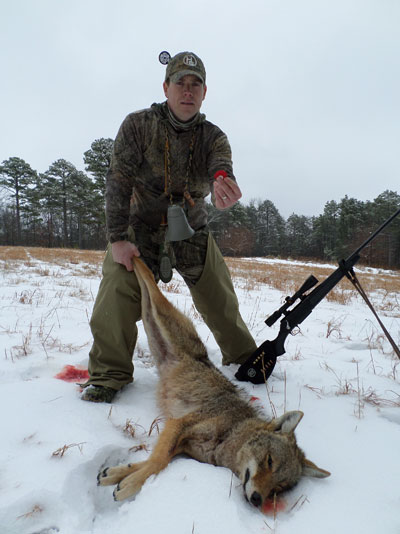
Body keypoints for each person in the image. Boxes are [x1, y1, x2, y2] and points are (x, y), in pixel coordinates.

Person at [81, 51, 257, 403]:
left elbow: (221, 168)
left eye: (196, 85)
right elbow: (117, 181)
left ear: (205, 92)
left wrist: (223, 185)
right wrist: (117, 239)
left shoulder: (214, 136)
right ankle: (109, 374)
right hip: (139, 231)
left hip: (192, 231)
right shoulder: (137, 125)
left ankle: (246, 359)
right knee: (116, 292)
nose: (187, 91)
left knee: (220, 297)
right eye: (181, 83)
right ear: (166, 87)